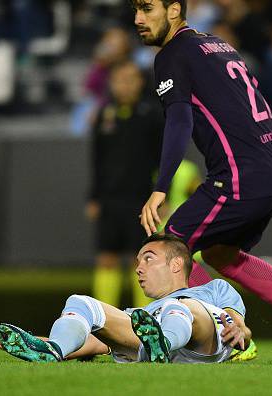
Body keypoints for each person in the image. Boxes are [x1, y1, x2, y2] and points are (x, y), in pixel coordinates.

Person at [131, 0, 272, 360]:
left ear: (174, 9)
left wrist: (160, 187)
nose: (137, 19)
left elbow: (179, 122)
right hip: (271, 173)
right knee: (220, 253)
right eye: (135, 9)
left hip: (240, 177)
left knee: (171, 244)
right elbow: (270, 119)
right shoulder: (218, 45)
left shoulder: (172, 55)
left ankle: (230, 338)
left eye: (147, 8)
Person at [0, 234, 255, 363]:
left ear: (177, 265)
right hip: (150, 337)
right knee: (82, 302)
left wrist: (241, 329)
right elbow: (90, 343)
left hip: (205, 342)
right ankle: (53, 351)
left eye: (148, 259)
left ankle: (163, 344)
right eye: (138, 260)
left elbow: (240, 323)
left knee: (179, 307)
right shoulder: (141, 317)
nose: (138, 268)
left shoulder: (211, 289)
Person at [86, 61, 163, 309]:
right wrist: (94, 197)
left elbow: (163, 159)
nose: (125, 85)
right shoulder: (104, 114)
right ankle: (103, 320)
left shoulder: (152, 114)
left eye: (130, 79)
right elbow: (96, 160)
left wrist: (163, 197)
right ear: (111, 83)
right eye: (120, 79)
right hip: (110, 199)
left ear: (140, 82)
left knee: (140, 259)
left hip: (141, 199)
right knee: (106, 258)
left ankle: (144, 318)